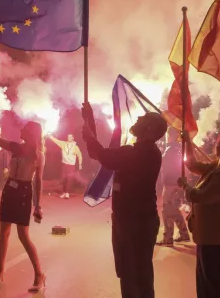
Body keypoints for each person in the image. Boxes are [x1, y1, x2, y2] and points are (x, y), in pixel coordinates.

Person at [81, 103, 166, 298]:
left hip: (137, 223)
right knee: (128, 273)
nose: (137, 119)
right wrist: (89, 122)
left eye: (142, 118)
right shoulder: (137, 151)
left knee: (137, 276)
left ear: (150, 129)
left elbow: (103, 156)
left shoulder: (144, 152)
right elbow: (101, 154)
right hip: (127, 221)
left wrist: (90, 131)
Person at [0, 104, 46, 293]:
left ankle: (39, 273)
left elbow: (39, 181)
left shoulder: (38, 155)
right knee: (4, 233)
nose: (22, 130)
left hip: (24, 192)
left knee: (23, 235)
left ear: (32, 133)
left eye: (26, 128)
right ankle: (1, 270)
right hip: (10, 188)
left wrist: (38, 205)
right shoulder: (15, 147)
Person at [177, 130, 220, 298]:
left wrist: (186, 186)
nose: (217, 143)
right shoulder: (217, 167)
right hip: (208, 233)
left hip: (215, 235)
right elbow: (193, 165)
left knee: (212, 280)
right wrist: (188, 143)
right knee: (204, 277)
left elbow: (201, 196)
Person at [157, 127, 190, 246]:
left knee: (167, 211)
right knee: (174, 209)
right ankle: (183, 234)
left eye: (168, 134)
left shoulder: (171, 150)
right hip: (175, 183)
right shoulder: (177, 149)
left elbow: (166, 166)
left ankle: (168, 237)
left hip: (171, 184)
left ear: (171, 135)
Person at [48, 133, 83, 199]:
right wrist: (50, 136)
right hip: (64, 164)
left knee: (70, 179)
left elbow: (79, 155)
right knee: (63, 179)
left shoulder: (75, 147)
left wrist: (80, 164)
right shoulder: (63, 144)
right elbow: (56, 140)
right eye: (68, 137)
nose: (69, 138)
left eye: (70, 137)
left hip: (71, 165)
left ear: (73, 138)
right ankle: (64, 193)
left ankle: (67, 193)